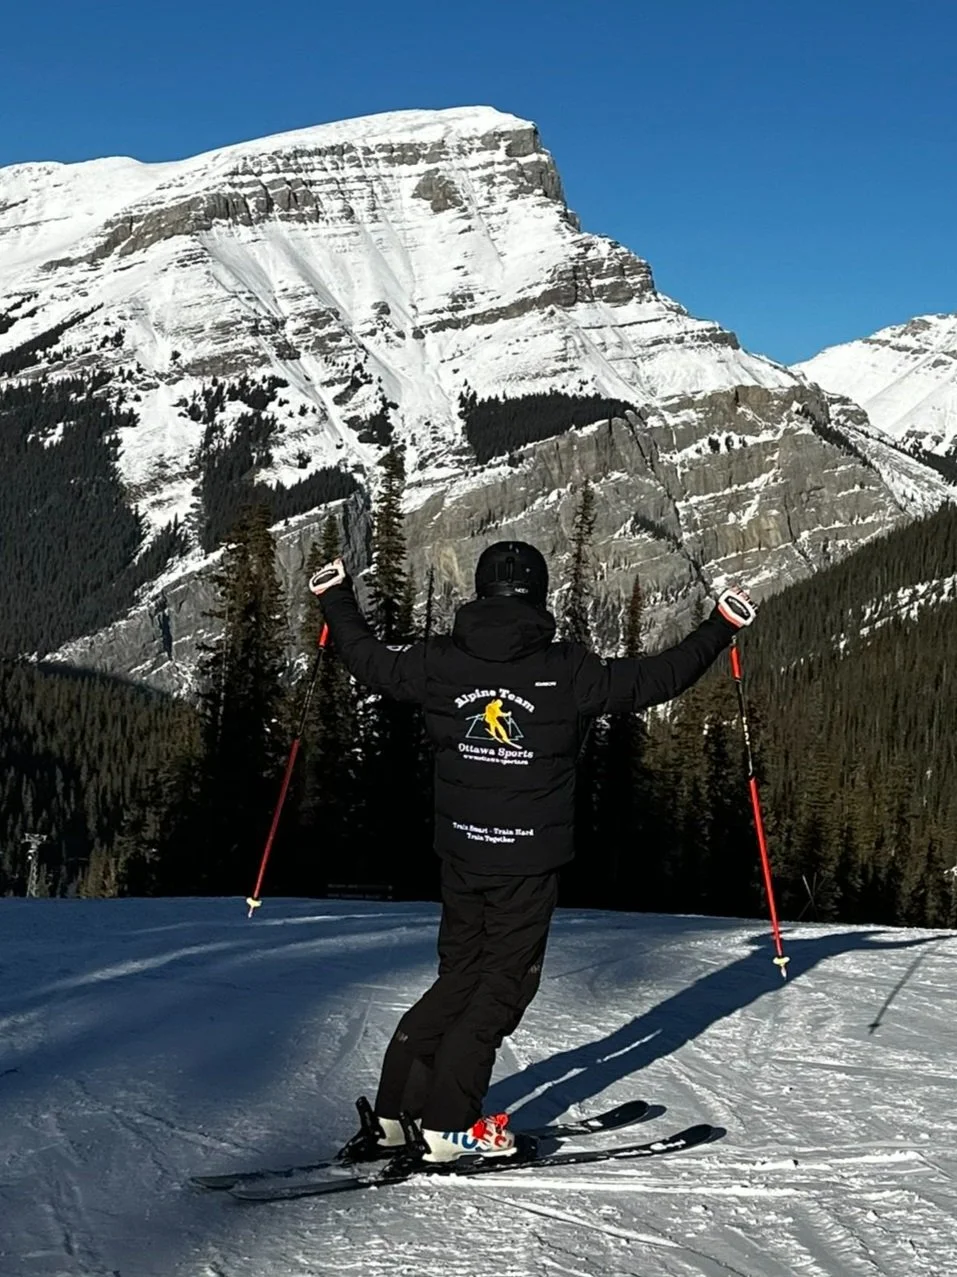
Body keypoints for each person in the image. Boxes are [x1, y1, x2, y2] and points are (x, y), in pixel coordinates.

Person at [309, 541, 755, 1164]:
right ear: (538, 595)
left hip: (462, 855)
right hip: (525, 863)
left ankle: (395, 1117)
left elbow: (371, 661)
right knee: (500, 987)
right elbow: (657, 678)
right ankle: (448, 1125)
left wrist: (335, 598)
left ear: (481, 592)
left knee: (460, 976)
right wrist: (720, 626)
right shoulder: (567, 669)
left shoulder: (440, 661)